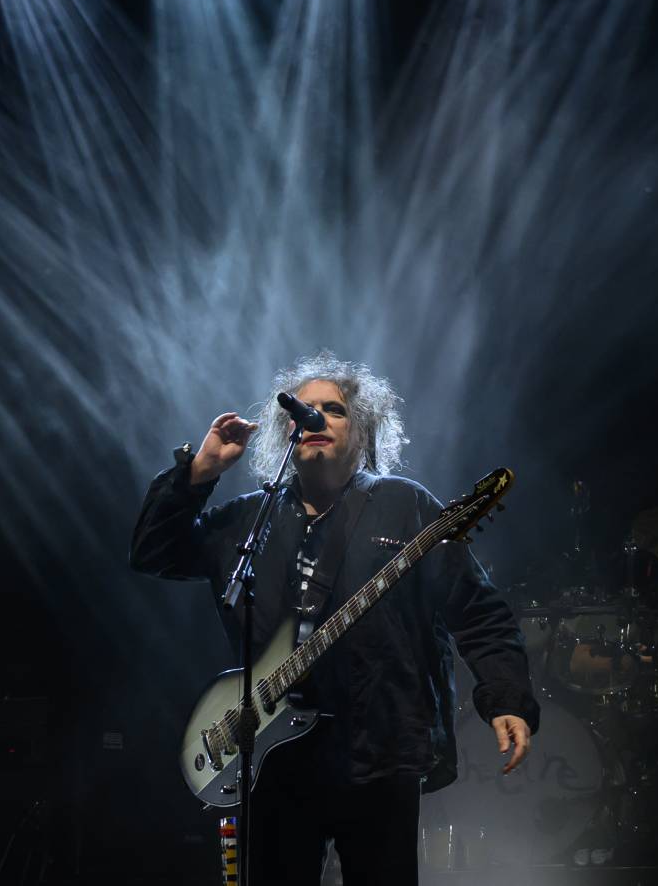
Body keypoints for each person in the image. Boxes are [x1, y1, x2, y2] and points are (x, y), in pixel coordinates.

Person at [129, 353, 538, 885]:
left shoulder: (405, 506)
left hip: (379, 752)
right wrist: (199, 472)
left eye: (334, 410)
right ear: (286, 432)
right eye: (306, 409)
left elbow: (478, 610)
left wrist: (506, 697)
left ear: (362, 430)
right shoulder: (249, 520)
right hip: (274, 764)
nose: (315, 417)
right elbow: (152, 552)